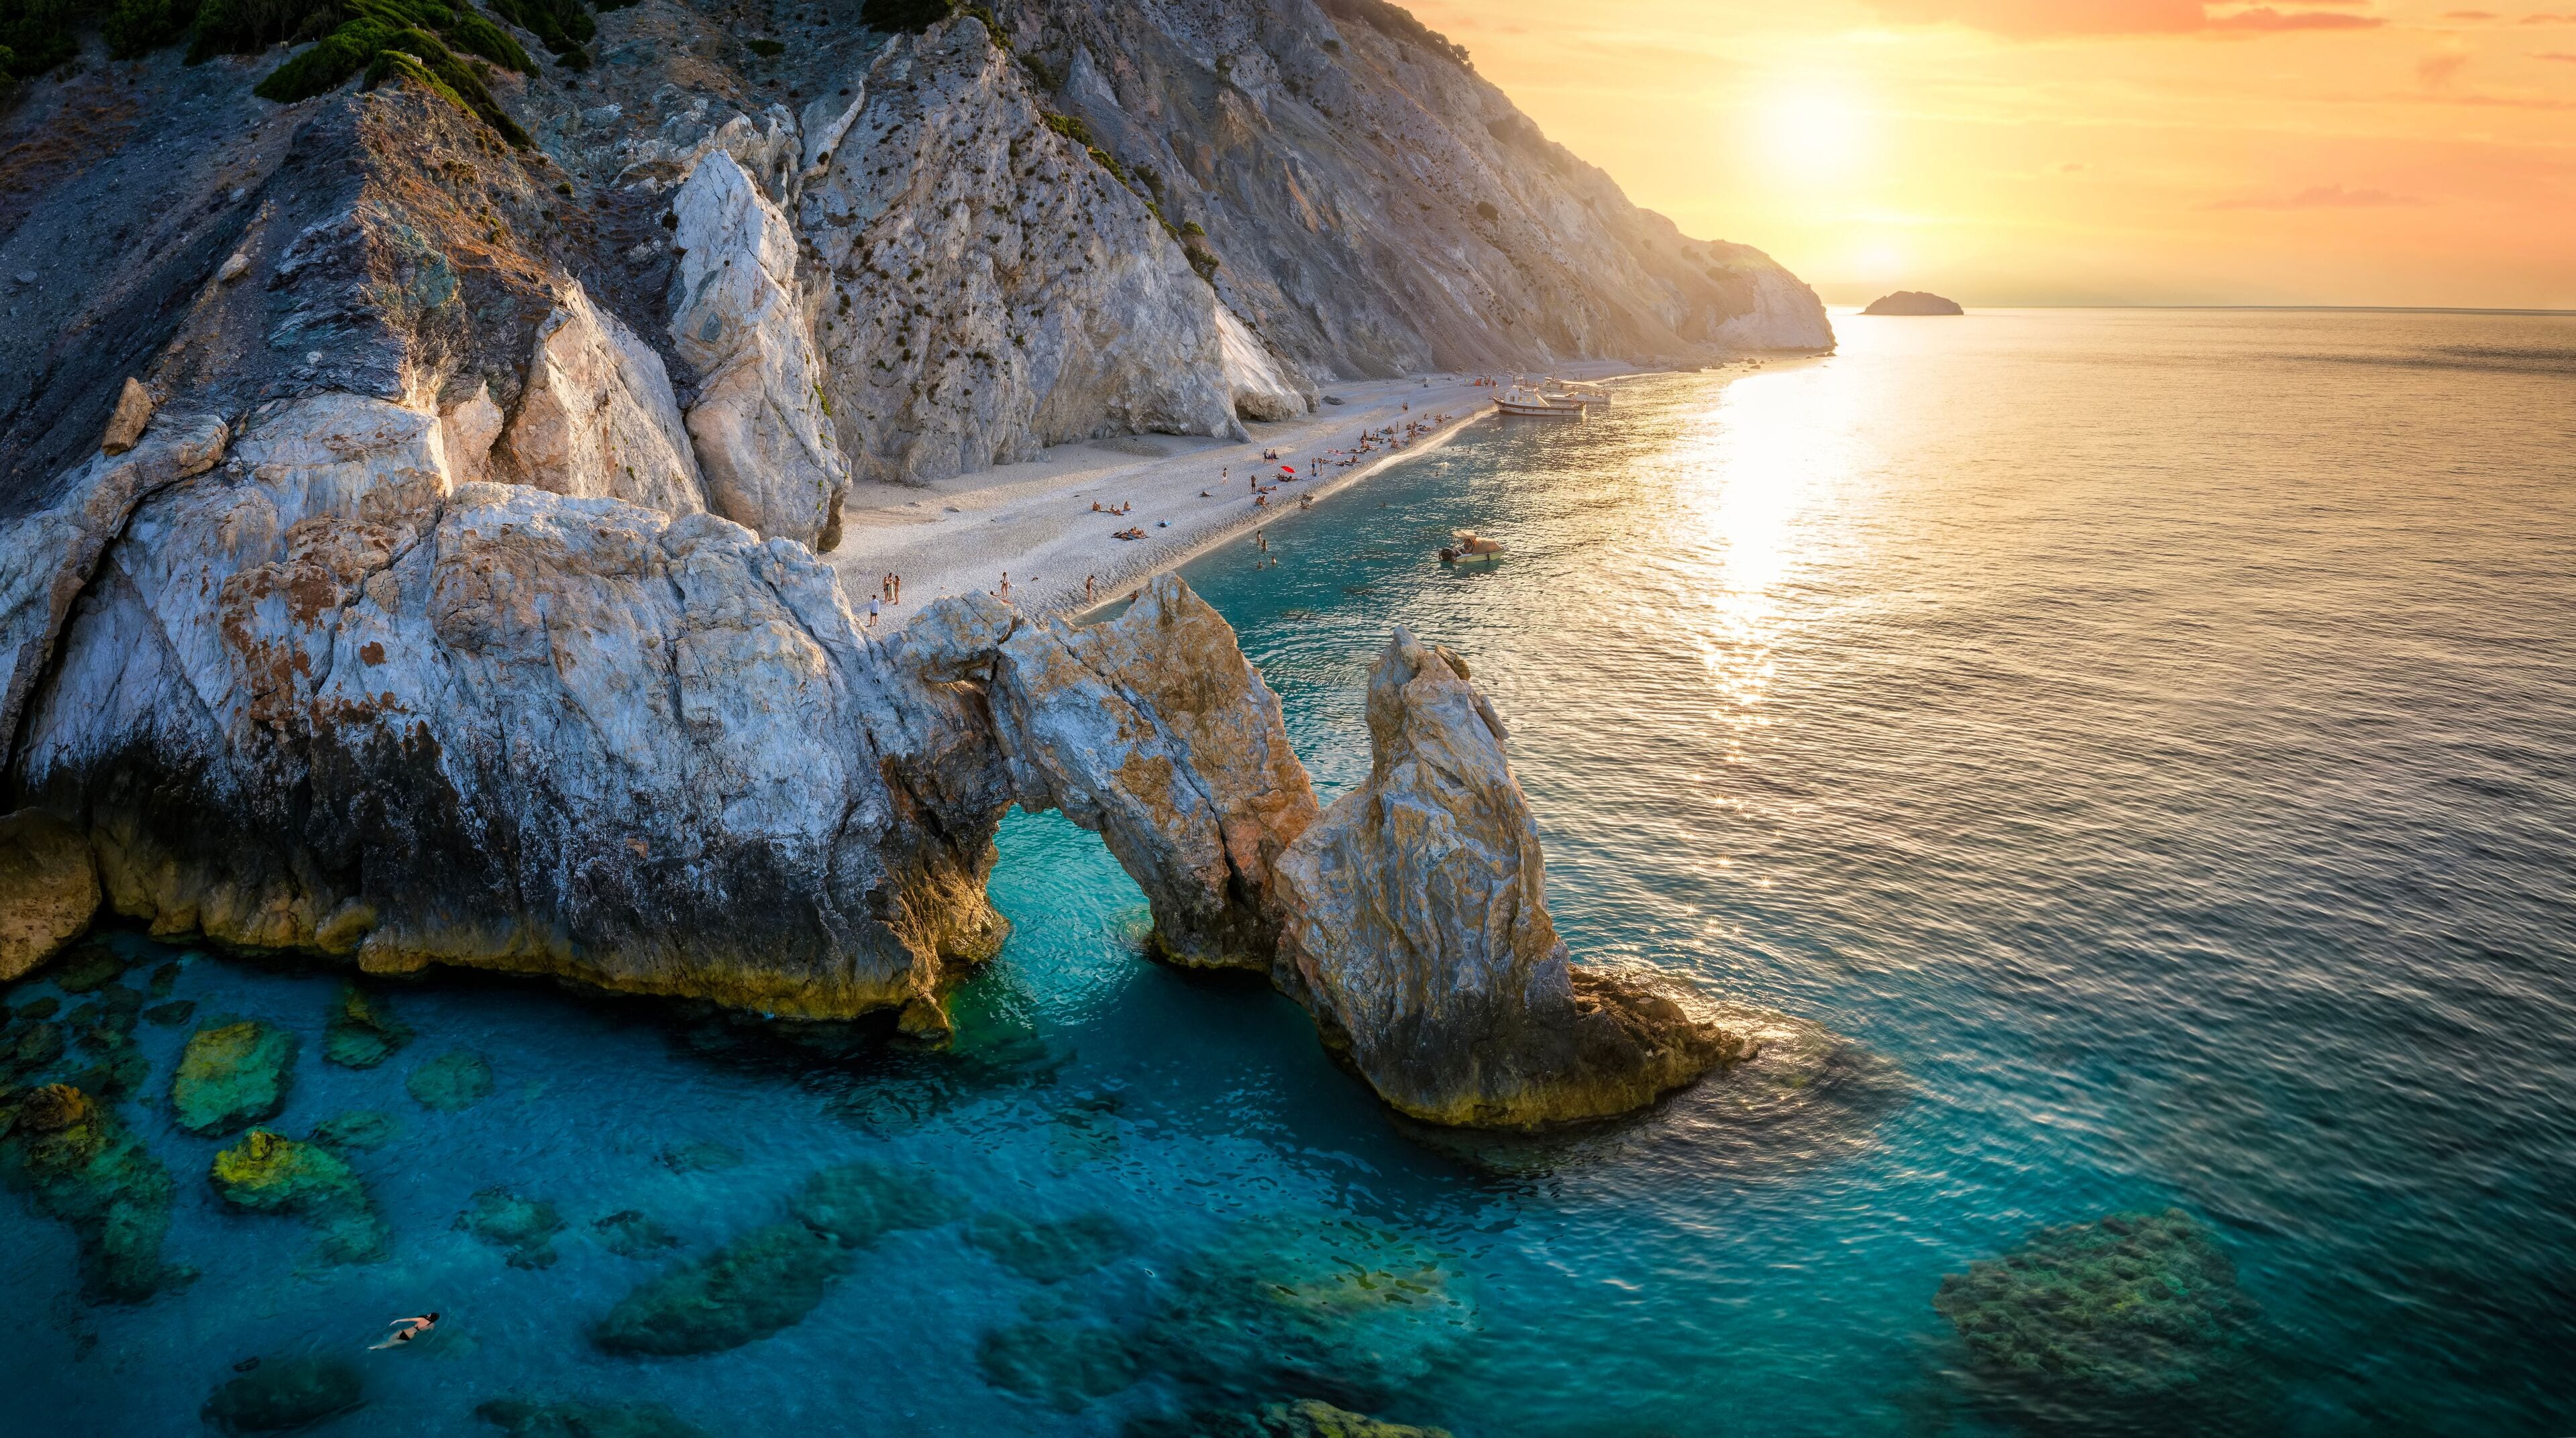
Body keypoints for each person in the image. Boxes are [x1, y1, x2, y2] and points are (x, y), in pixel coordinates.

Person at [371, 1314, 439, 1349]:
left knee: (389, 1340)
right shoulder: (432, 1326)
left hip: (402, 1332)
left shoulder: (422, 1319)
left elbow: (409, 1319)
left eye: (430, 1314)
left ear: (430, 1316)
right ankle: (375, 1347)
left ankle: (377, 1345)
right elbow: (429, 1333)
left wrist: (397, 1320)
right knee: (389, 1345)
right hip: (409, 1337)